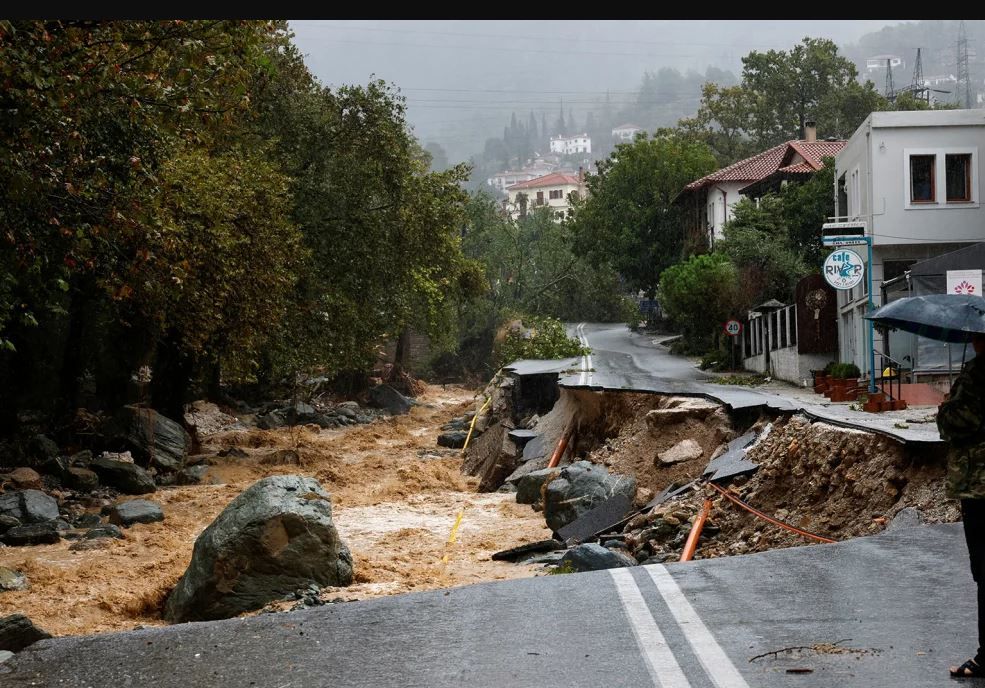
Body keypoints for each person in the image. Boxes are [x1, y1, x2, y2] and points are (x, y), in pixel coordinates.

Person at [939, 332, 985, 678]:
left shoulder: (978, 373)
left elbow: (960, 421)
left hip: (980, 484)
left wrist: (945, 408)